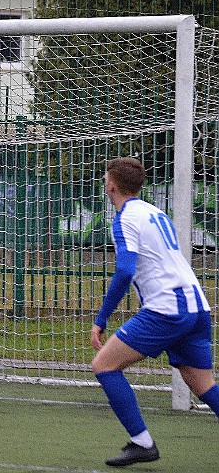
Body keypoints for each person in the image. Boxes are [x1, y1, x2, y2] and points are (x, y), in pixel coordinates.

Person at [91, 156, 219, 467]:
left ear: (111, 185)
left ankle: (142, 441)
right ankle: (141, 442)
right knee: (202, 383)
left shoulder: (124, 219)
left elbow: (124, 271)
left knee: (104, 365)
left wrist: (101, 319)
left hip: (167, 309)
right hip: (197, 306)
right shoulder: (155, 212)